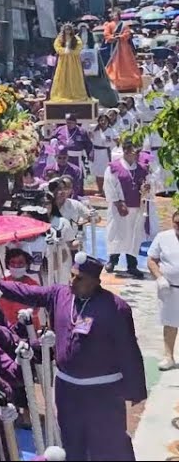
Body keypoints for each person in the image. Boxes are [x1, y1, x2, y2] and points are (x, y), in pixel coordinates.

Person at [0, 254, 146, 461]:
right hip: (67, 388)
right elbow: (28, 293)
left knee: (109, 443)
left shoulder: (116, 307)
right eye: (71, 275)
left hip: (103, 392)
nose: (72, 281)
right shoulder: (59, 294)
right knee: (71, 441)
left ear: (96, 282)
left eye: (80, 278)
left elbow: (128, 350)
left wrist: (135, 389)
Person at [104, 139, 157, 278]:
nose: (137, 154)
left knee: (134, 236)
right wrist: (117, 203)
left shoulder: (142, 169)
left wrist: (147, 188)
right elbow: (109, 186)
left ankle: (132, 265)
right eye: (134, 151)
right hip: (119, 207)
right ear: (126, 151)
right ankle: (112, 260)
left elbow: (149, 186)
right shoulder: (114, 167)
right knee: (117, 233)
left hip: (137, 208)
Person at [147, 210, 179, 371]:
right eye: (176, 223)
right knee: (170, 323)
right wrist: (159, 277)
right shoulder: (163, 237)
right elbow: (152, 259)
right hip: (170, 288)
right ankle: (169, 356)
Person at [0, 249, 40, 326]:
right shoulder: (1, 284)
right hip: (7, 328)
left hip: (30, 327)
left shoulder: (33, 285)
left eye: (20, 263)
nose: (16, 266)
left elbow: (36, 307)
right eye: (12, 262)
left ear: (27, 265)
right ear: (8, 265)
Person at [104, 8, 143, 93]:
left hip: (123, 47)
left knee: (127, 64)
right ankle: (114, 81)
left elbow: (127, 34)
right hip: (113, 47)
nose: (114, 16)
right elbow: (106, 35)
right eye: (113, 15)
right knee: (114, 65)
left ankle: (129, 82)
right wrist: (113, 37)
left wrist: (120, 37)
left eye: (116, 15)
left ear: (118, 15)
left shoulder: (124, 25)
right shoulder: (109, 25)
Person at [50, 23, 90, 102]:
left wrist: (71, 51)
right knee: (62, 76)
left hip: (74, 61)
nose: (67, 31)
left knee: (74, 76)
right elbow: (56, 46)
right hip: (63, 61)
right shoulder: (60, 38)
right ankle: (63, 93)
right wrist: (64, 51)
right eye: (66, 30)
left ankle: (76, 93)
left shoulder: (76, 38)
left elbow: (79, 47)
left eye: (69, 29)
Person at [88, 113, 114, 191]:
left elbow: (112, 141)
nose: (103, 122)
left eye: (105, 120)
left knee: (105, 171)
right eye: (101, 120)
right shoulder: (95, 129)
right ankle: (100, 189)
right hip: (96, 152)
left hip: (105, 153)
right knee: (97, 172)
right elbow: (88, 132)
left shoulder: (111, 130)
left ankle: (106, 189)